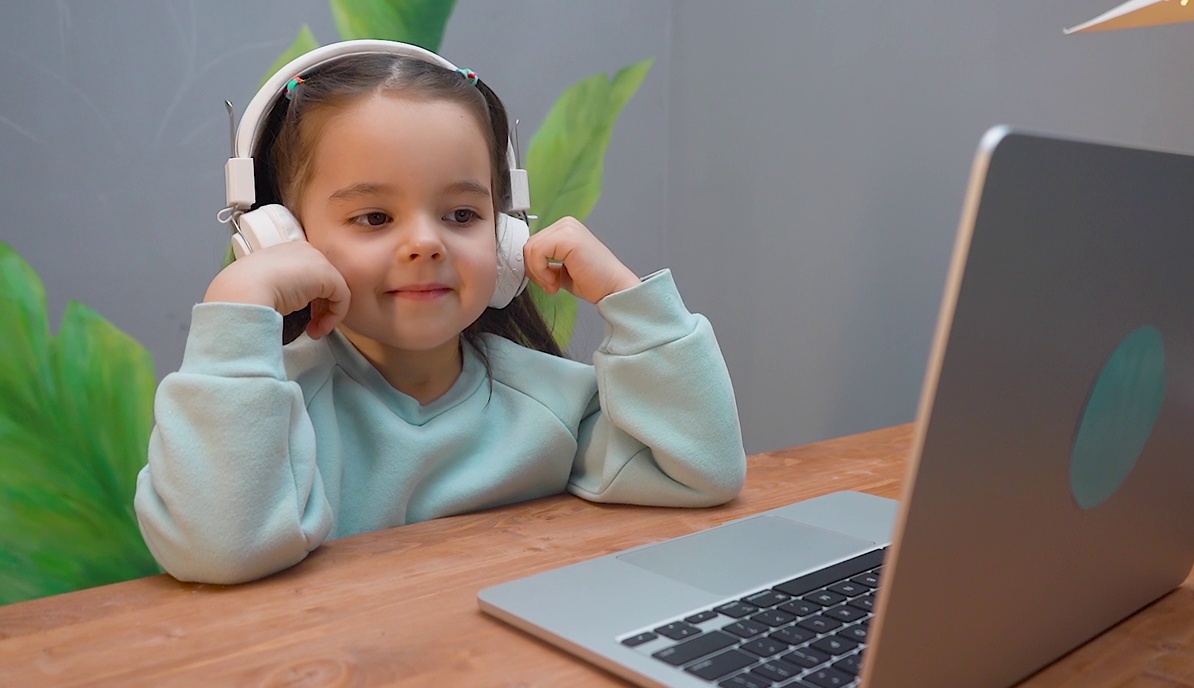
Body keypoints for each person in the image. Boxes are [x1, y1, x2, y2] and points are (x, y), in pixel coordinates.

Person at [134, 41, 746, 585]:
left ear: (506, 240)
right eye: (374, 217)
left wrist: (628, 298)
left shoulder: (551, 402)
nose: (426, 243)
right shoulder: (262, 410)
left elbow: (700, 471)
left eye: (461, 215)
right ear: (282, 239)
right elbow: (219, 551)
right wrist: (237, 309)